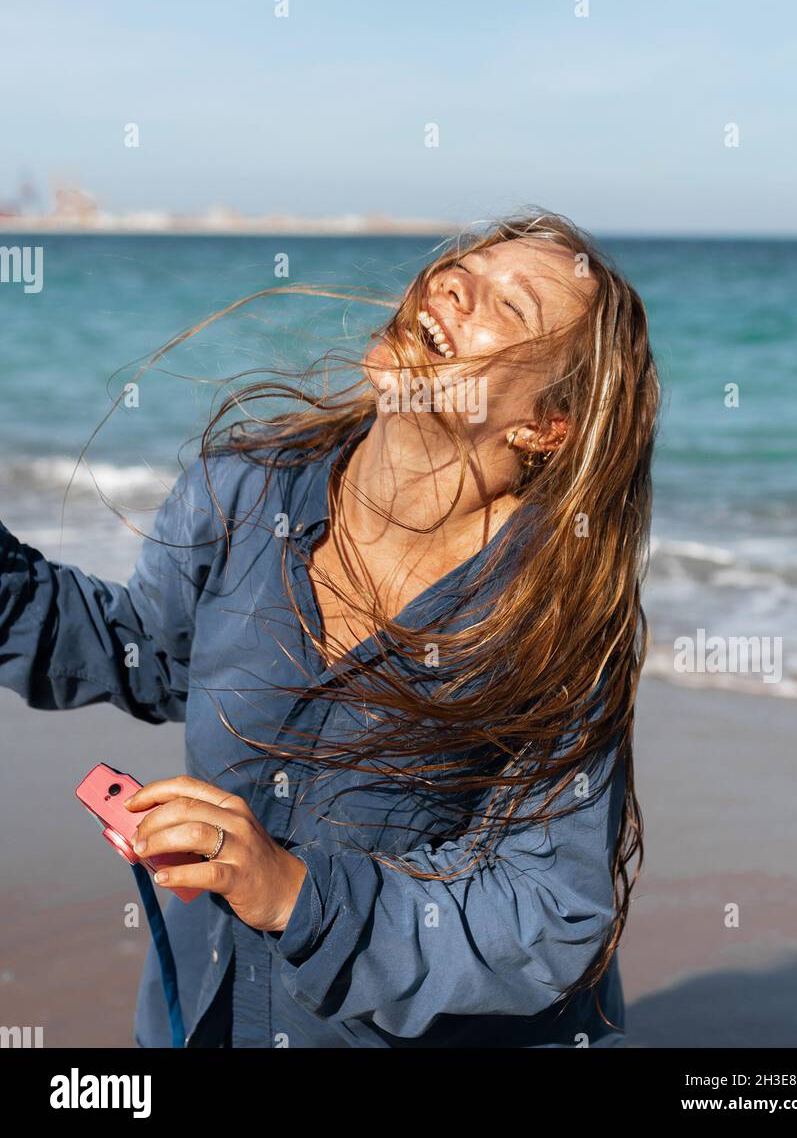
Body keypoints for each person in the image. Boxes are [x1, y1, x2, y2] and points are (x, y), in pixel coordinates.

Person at [0, 210, 659, 1048]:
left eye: (511, 303)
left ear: (543, 426)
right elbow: (148, 656)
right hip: (204, 1016)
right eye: (462, 265)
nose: (452, 282)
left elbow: (545, 913)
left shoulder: (550, 622)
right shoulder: (241, 492)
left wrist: (296, 894)